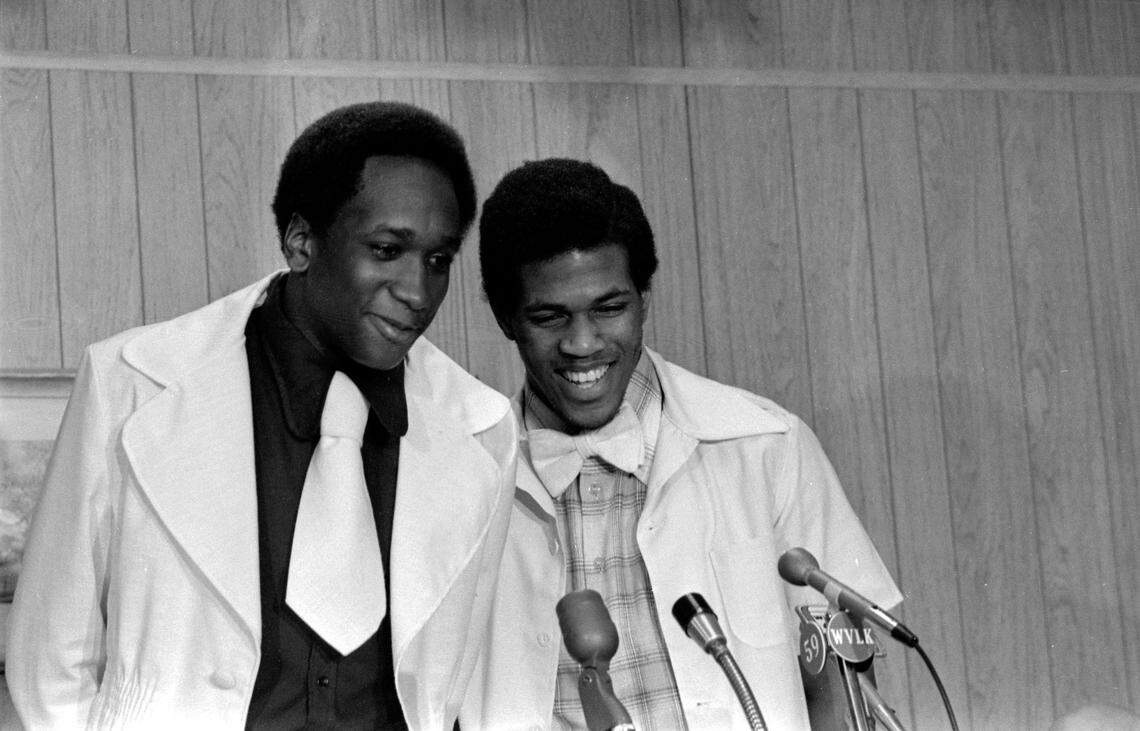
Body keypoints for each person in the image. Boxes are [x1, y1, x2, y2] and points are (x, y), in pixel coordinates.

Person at [7, 102, 517, 729]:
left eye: (439, 261)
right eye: (387, 250)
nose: (417, 291)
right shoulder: (130, 383)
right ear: (302, 241)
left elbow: (474, 682)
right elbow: (52, 660)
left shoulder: (485, 429)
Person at [462, 158, 904, 729]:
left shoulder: (766, 445)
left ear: (644, 296)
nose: (581, 343)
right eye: (549, 317)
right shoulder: (464, 478)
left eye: (610, 308)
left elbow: (843, 683)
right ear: (505, 316)